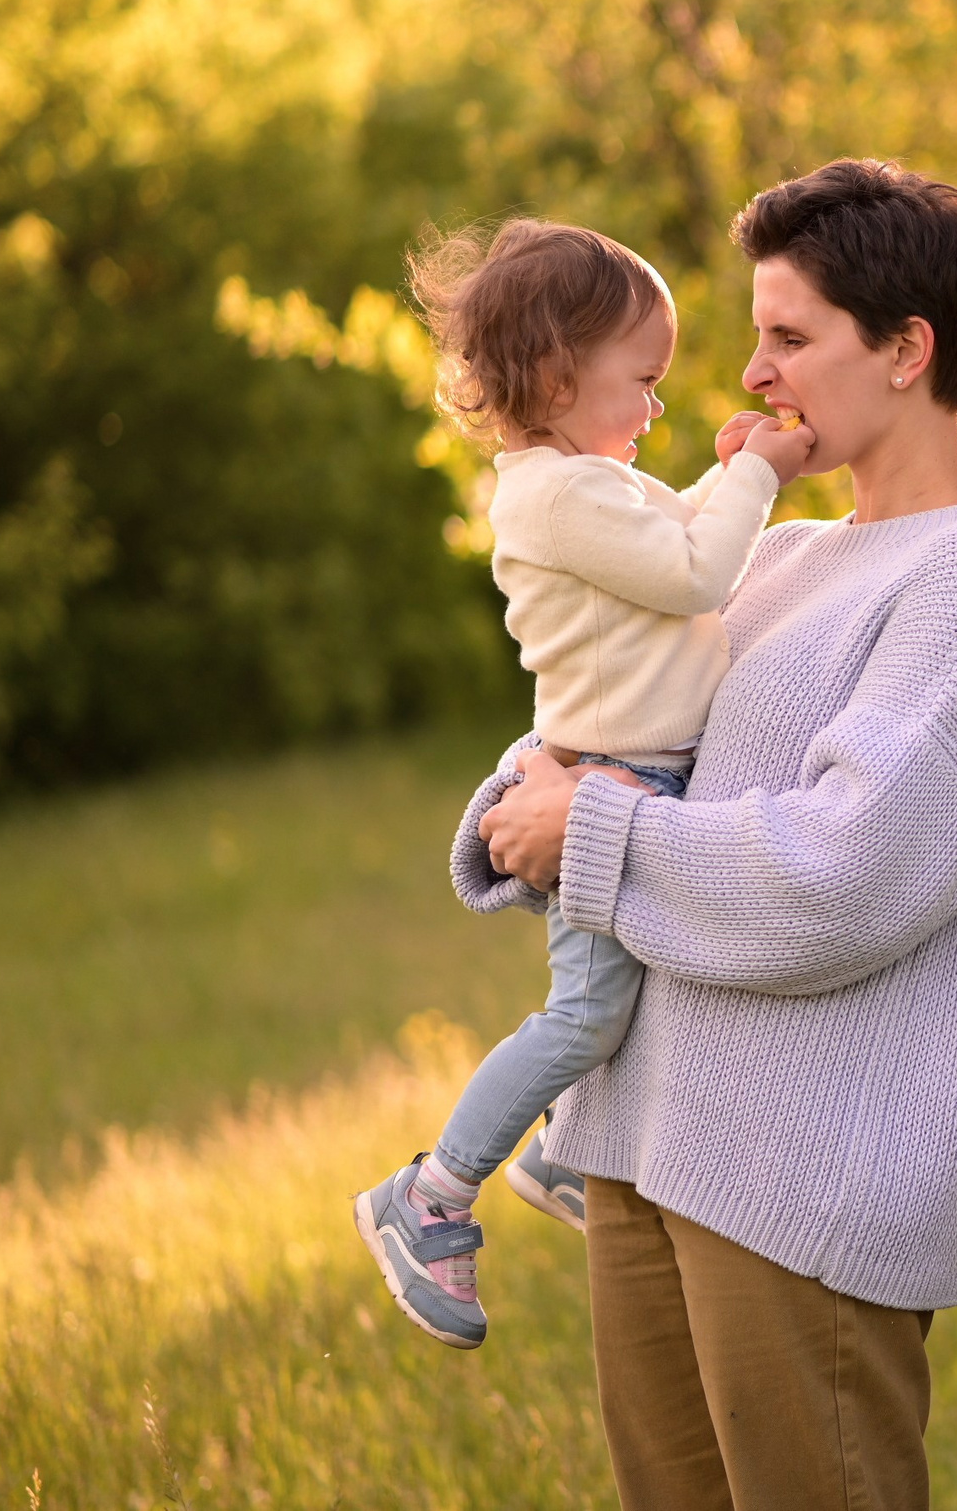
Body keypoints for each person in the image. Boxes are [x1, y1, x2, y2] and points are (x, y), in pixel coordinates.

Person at [453, 160, 957, 1511]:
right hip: (648, 1143)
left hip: (804, 1183)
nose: (756, 368)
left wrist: (585, 827)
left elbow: (844, 872)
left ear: (908, 349)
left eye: (792, 336)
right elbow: (632, 737)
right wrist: (525, 802)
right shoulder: (780, 558)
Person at [354, 218, 812, 1350]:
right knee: (587, 1012)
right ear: (559, 373)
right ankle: (431, 1194)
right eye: (641, 381)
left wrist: (729, 469)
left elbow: (678, 541)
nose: (656, 408)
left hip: (643, 774)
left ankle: (570, 1150)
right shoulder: (557, 498)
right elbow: (700, 569)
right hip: (611, 783)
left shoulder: (590, 483)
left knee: (650, 993)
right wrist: (759, 467)